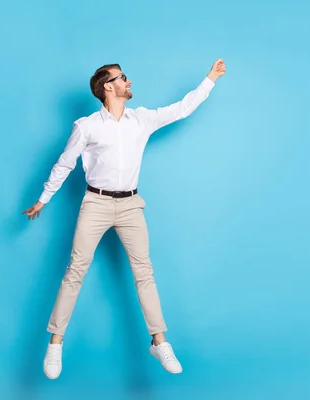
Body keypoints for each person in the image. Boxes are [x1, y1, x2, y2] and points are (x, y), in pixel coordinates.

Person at [22, 59, 226, 379]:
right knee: (75, 271)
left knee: (145, 272)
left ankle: (159, 341)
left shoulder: (141, 120)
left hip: (131, 205)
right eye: (122, 78)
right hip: (95, 203)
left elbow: (182, 108)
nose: (128, 81)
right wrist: (43, 199)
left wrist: (210, 79)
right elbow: (64, 164)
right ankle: (56, 342)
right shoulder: (86, 125)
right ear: (108, 86)